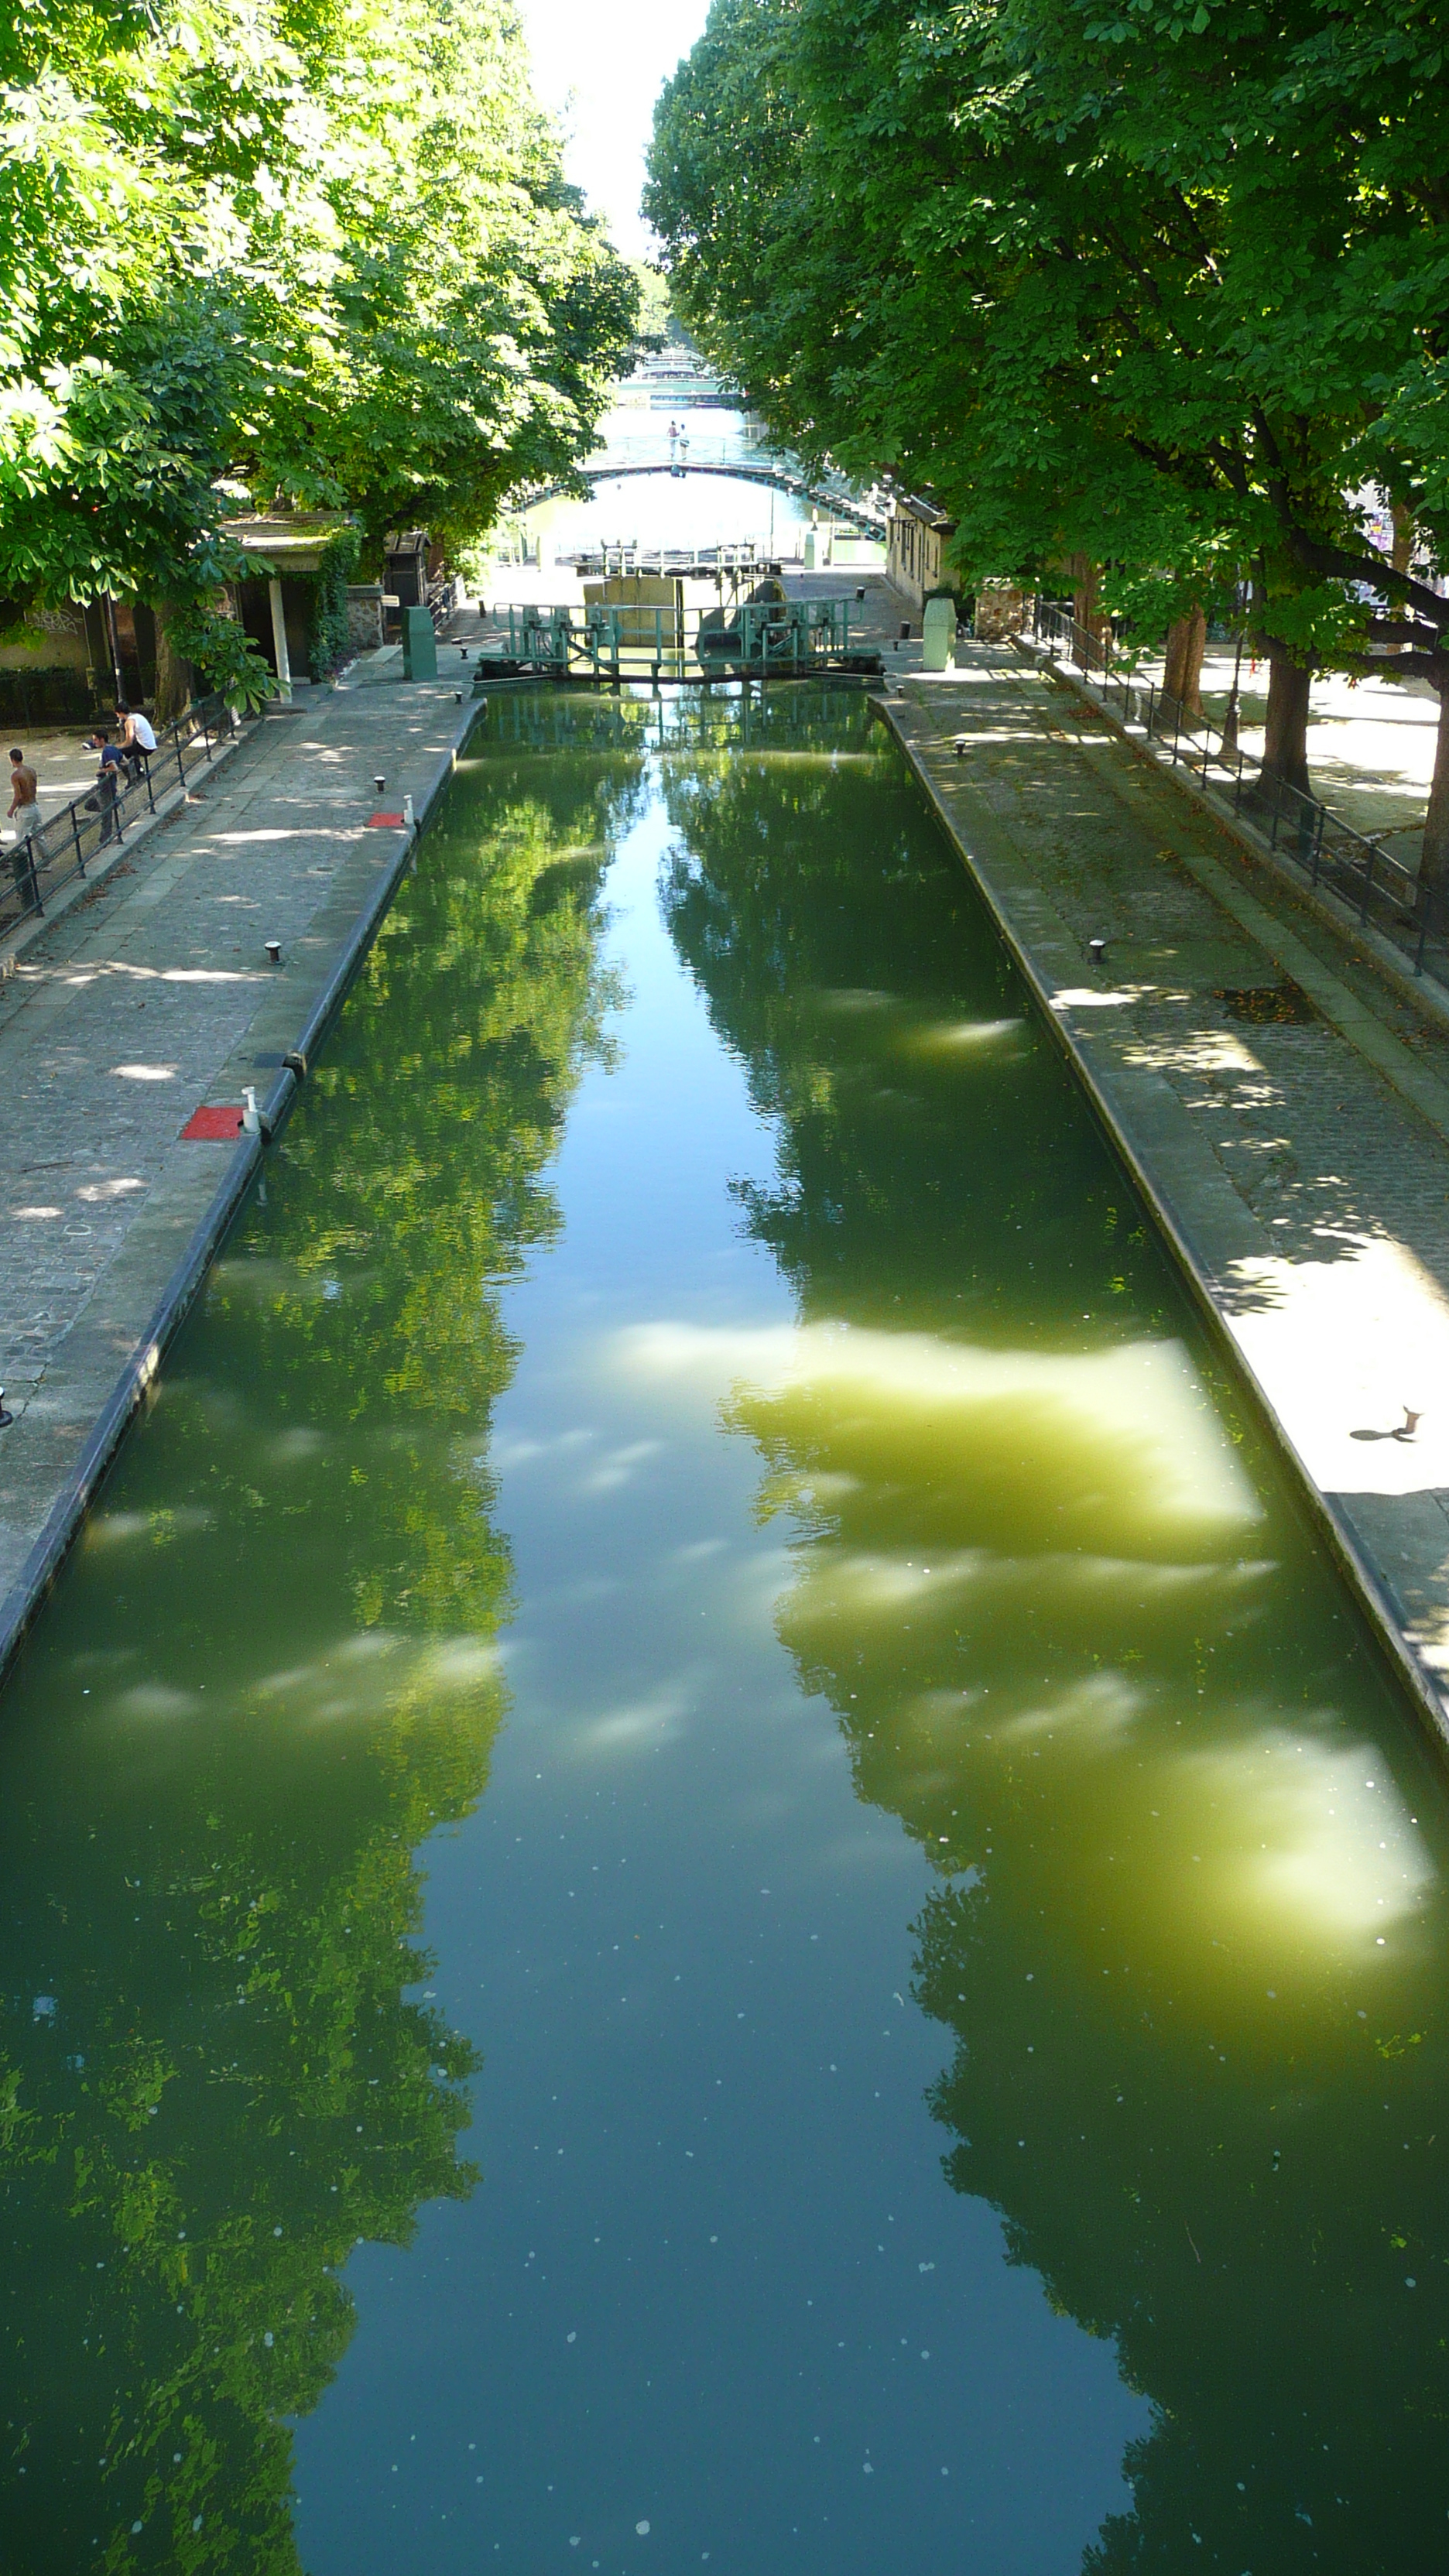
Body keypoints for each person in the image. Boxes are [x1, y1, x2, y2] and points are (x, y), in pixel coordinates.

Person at [6, 748, 43, 907]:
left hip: (25, 809)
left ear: (12, 760)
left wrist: (11, 809)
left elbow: (18, 795)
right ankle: (46, 859)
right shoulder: (31, 770)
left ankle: (21, 868)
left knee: (20, 838)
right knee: (38, 835)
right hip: (35, 805)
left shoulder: (16, 775)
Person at [83, 729, 125, 843]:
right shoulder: (114, 749)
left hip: (106, 787)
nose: (94, 742)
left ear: (102, 739)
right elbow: (125, 762)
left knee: (106, 814)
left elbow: (114, 768)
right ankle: (113, 805)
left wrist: (101, 770)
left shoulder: (107, 751)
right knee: (90, 804)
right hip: (107, 786)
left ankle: (104, 839)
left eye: (96, 739)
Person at [115, 702, 157, 786]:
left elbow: (129, 741)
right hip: (151, 744)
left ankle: (131, 778)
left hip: (145, 747)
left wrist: (117, 747)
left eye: (117, 714)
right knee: (132, 750)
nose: (117, 716)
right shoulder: (137, 716)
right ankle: (139, 770)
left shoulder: (129, 722)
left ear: (121, 713)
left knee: (119, 754)